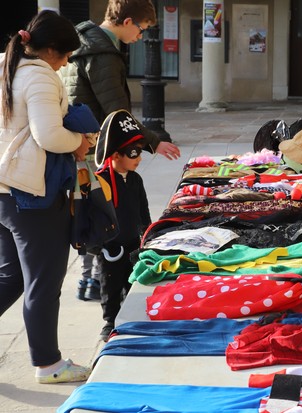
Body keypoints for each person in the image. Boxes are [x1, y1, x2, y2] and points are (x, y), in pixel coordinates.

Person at [58, 0, 181, 301]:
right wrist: (152, 141)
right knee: (100, 210)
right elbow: (116, 112)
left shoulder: (83, 40)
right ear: (127, 22)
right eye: (141, 29)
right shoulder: (104, 54)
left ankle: (89, 280)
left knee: (85, 207)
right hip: (96, 147)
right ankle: (100, 281)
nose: (140, 36)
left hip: (80, 142)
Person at [0, 10, 93, 384]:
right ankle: (49, 364)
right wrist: (80, 144)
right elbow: (50, 136)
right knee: (43, 279)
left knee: (11, 276)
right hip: (30, 193)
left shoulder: (7, 66)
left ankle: (47, 361)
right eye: (66, 54)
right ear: (51, 49)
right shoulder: (38, 75)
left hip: (6, 188)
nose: (66, 62)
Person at [94, 109, 152, 341]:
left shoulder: (136, 179)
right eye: (133, 153)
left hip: (133, 243)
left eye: (139, 153)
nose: (138, 159)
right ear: (116, 155)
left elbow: (143, 211)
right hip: (110, 248)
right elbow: (94, 217)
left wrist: (148, 235)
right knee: (110, 284)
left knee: (132, 281)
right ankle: (110, 321)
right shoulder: (102, 181)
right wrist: (100, 245)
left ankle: (131, 317)